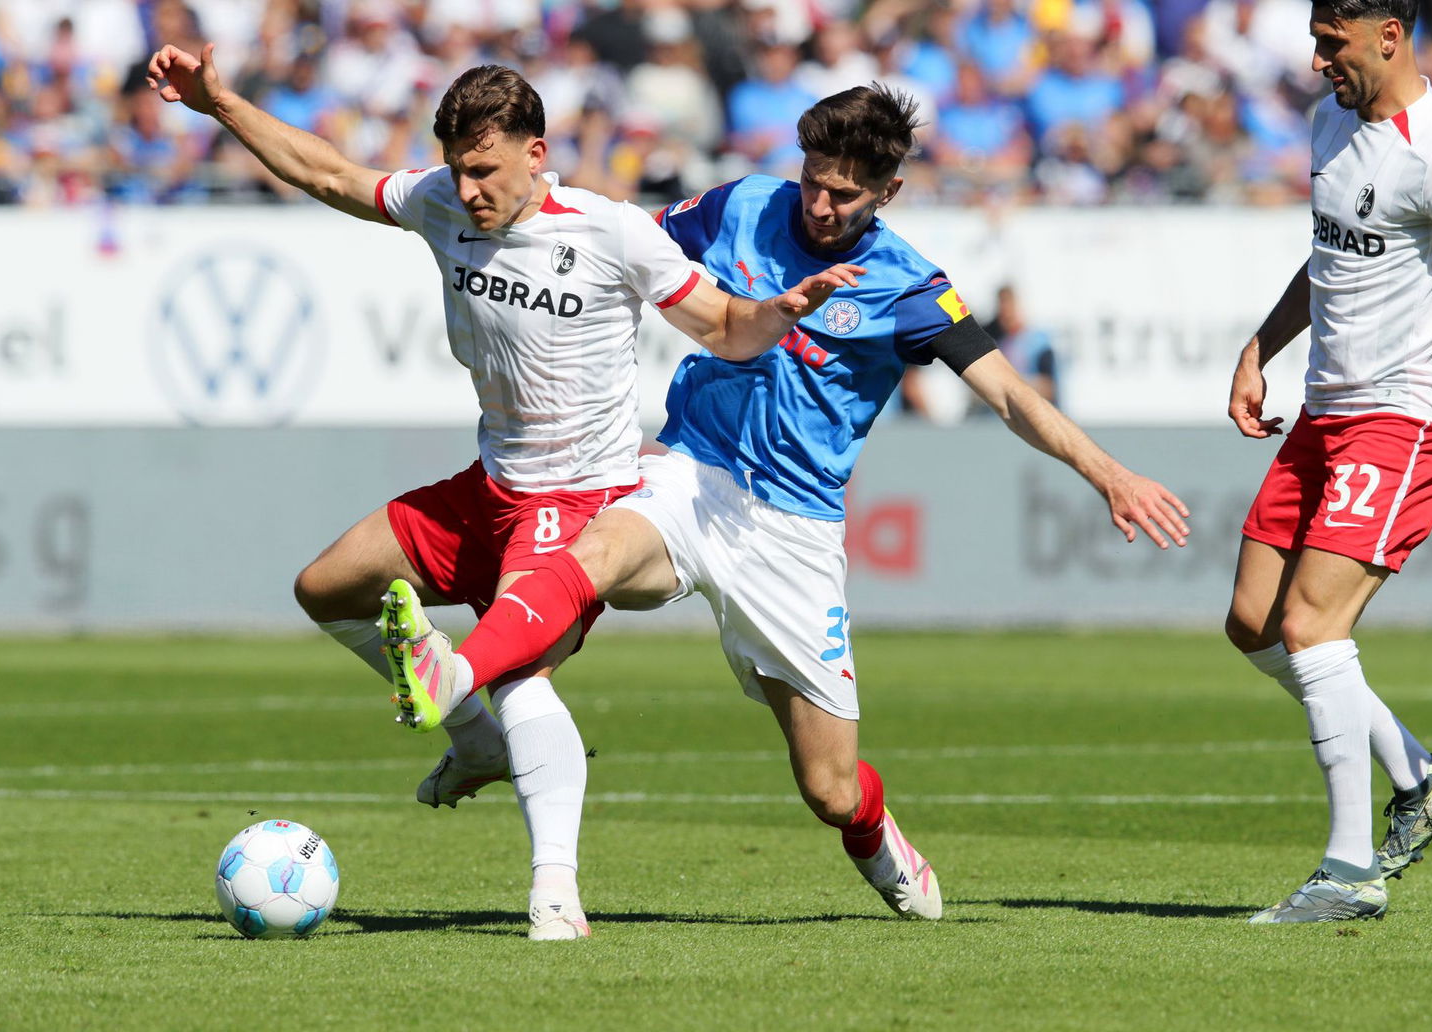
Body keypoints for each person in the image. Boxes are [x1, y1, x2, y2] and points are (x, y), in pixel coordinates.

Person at [382, 84, 1192, 927]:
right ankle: (464, 677)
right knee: (589, 557)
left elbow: (1010, 397)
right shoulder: (743, 204)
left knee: (830, 788)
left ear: (887, 193)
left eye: (845, 193)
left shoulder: (908, 287)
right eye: (812, 179)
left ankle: (879, 835)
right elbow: (618, 261)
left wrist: (1109, 474)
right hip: (691, 472)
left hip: (793, 531)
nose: (820, 203)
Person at [146, 45, 864, 940]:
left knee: (521, 676)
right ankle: (473, 739)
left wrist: (778, 314)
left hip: (580, 501)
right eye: (458, 168)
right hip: (492, 485)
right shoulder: (441, 201)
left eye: (485, 169)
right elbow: (327, 171)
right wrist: (219, 104)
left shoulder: (609, 231)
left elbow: (721, 326)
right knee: (325, 587)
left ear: (536, 152)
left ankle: (555, 892)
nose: (470, 188)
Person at [1223, 0, 1432, 924]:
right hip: (1327, 411)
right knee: (1253, 621)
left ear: (1389, 36)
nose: (1320, 58)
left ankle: (1348, 871)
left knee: (1312, 624)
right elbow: (1329, 256)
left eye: (1333, 42)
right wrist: (1264, 345)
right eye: (1315, 39)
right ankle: (1421, 778)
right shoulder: (1331, 120)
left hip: (1403, 419)